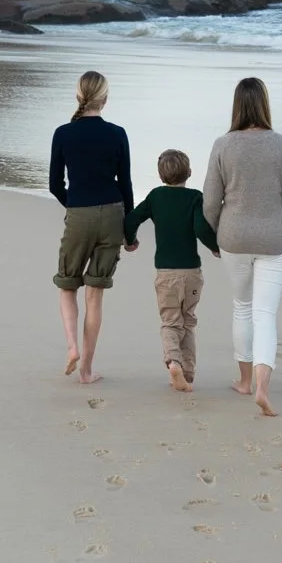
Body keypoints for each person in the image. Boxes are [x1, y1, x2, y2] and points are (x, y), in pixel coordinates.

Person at [202, 78, 282, 418]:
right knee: (265, 313)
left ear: (237, 106)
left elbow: (210, 201)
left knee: (242, 306)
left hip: (234, 237)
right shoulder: (280, 144)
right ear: (264, 104)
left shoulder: (222, 145)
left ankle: (244, 381)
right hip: (275, 239)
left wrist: (217, 233)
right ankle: (263, 387)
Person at [49, 70, 133, 385]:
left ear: (78, 97)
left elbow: (54, 183)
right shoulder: (117, 133)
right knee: (95, 295)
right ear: (105, 99)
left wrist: (74, 203)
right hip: (112, 214)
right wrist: (130, 230)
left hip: (79, 212)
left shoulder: (63, 133)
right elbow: (125, 184)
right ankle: (86, 370)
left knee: (68, 284)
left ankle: (72, 347)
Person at [124, 149, 220, 393]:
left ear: (160, 175)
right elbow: (200, 228)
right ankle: (187, 373)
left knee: (170, 321)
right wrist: (215, 247)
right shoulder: (195, 198)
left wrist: (130, 240)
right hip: (191, 272)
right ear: (189, 172)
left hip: (166, 272)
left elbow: (132, 219)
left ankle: (173, 362)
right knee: (188, 321)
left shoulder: (156, 196)